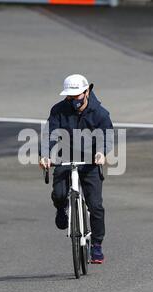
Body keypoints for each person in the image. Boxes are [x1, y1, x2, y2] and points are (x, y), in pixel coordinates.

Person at [39, 74, 113, 264]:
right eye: (69, 97)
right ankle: (61, 208)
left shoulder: (100, 113)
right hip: (66, 158)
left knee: (96, 206)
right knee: (58, 193)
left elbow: (108, 137)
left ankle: (96, 246)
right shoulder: (58, 110)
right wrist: (45, 155)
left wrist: (102, 153)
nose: (73, 101)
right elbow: (50, 135)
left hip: (91, 162)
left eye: (77, 96)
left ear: (87, 92)